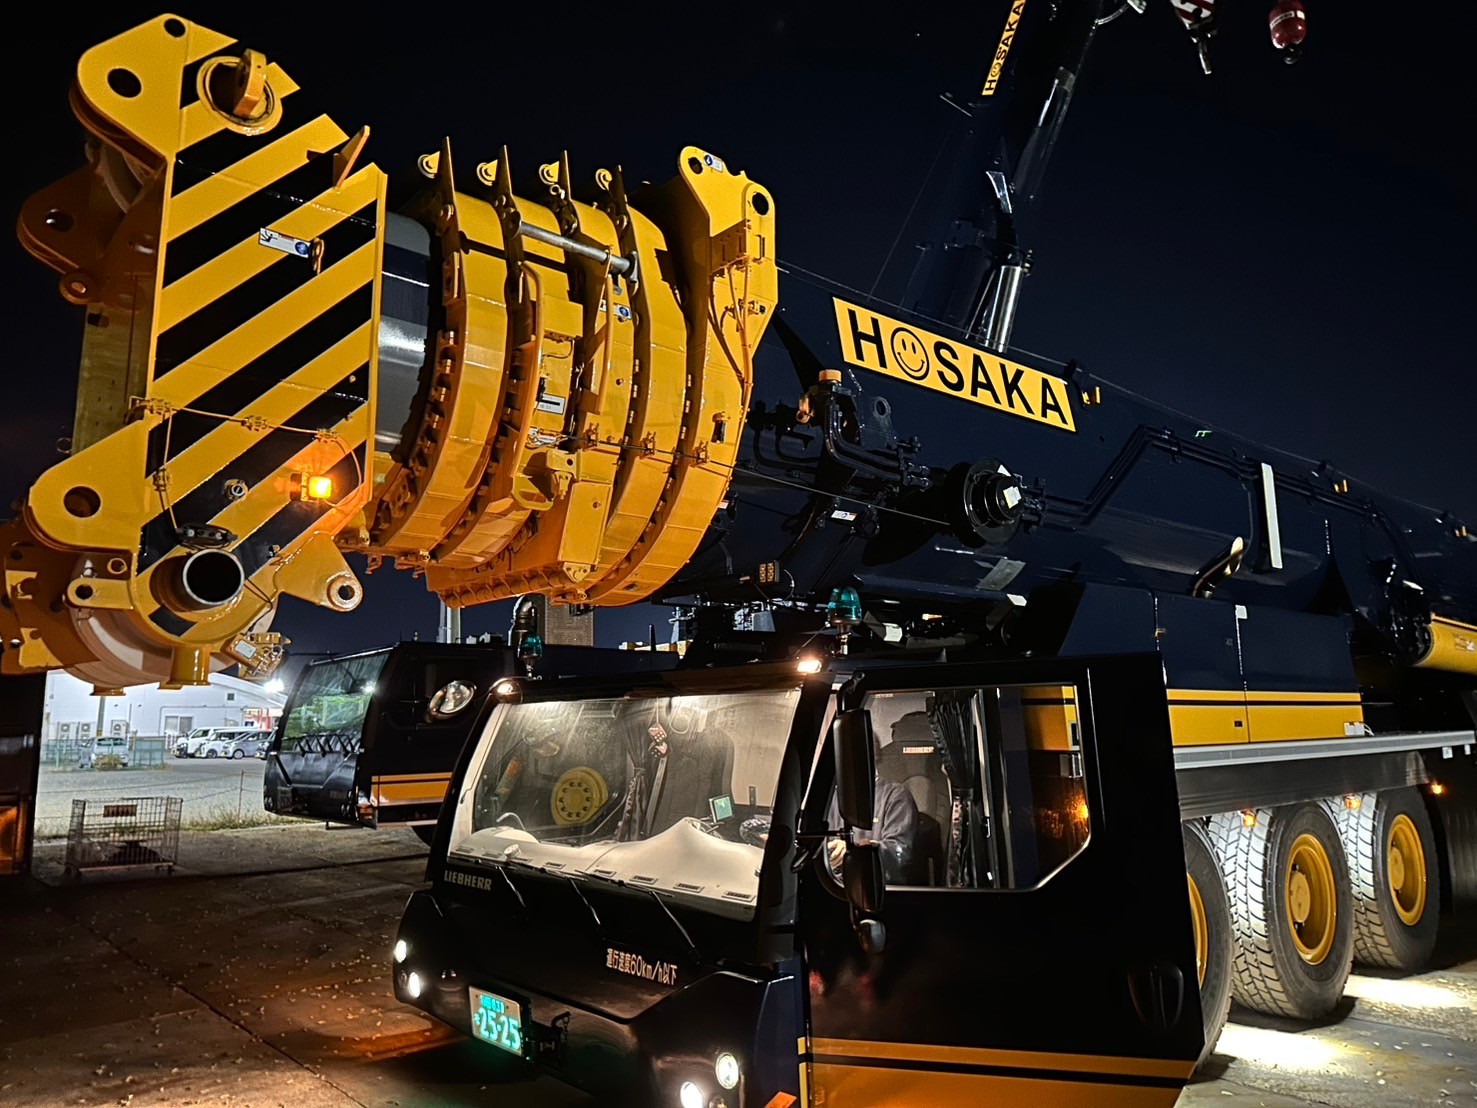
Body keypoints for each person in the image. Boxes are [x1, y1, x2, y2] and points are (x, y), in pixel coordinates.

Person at [827, 720, 920, 883]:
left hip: (879, 888)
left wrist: (854, 851)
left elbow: (899, 851)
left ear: (873, 757)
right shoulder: (833, 798)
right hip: (835, 886)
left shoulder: (896, 796)